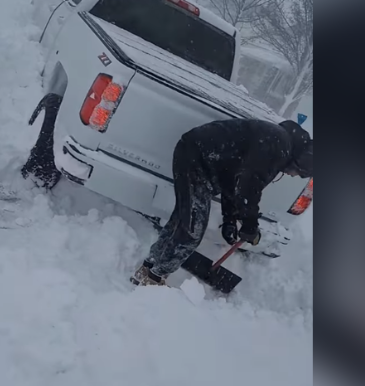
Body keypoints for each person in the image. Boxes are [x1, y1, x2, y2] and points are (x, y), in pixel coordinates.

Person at [131, 118, 314, 286]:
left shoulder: (278, 143)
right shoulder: (278, 146)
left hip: (197, 155)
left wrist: (230, 220)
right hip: (197, 159)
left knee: (182, 220)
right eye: (300, 173)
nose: (294, 176)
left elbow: (232, 182)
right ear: (300, 163)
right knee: (192, 231)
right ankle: (153, 279)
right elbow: (248, 188)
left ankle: (149, 268)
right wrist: (250, 226)